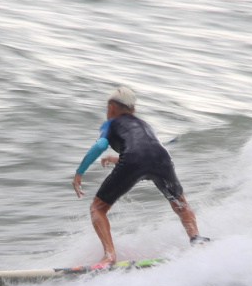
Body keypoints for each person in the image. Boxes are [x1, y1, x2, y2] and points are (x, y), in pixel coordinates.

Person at [71, 86, 209, 268]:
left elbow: (100, 146)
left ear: (111, 108)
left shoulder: (111, 123)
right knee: (180, 203)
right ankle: (196, 240)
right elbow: (147, 149)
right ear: (133, 109)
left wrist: (79, 172)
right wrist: (118, 158)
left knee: (97, 208)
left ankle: (109, 256)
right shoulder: (145, 124)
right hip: (162, 159)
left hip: (133, 160)